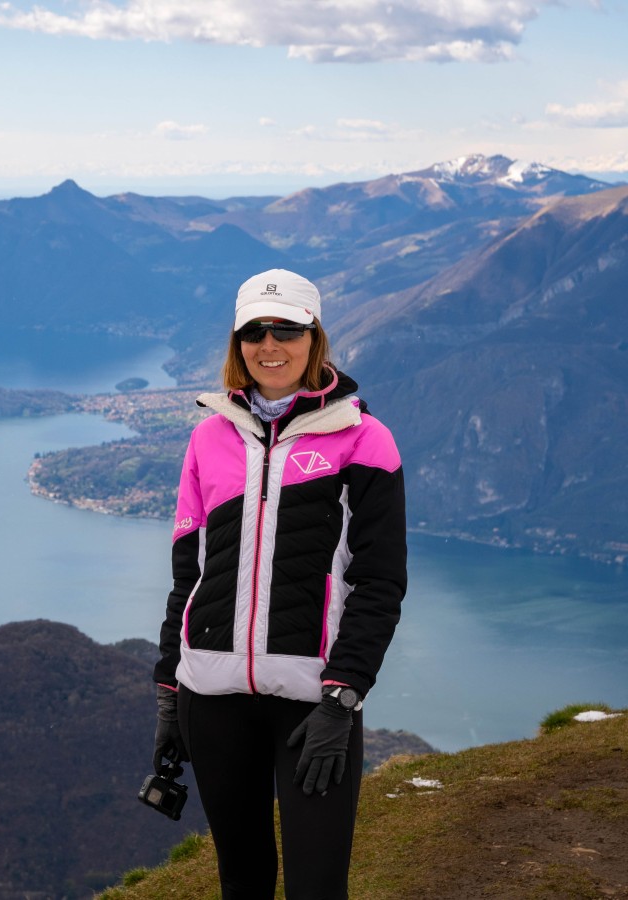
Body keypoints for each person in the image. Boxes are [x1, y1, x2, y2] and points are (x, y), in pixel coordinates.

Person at [151, 268, 407, 900]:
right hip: (209, 695)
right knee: (242, 882)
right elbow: (190, 571)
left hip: (312, 704)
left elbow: (380, 582)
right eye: (254, 332)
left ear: (313, 336)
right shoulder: (209, 437)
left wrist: (342, 696)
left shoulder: (363, 440)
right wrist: (167, 692)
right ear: (238, 343)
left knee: (317, 887)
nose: (270, 346)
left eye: (286, 329)